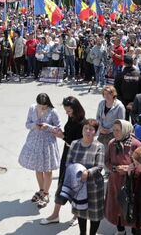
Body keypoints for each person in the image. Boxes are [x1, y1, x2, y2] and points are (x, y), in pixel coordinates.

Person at [41, 96, 86, 226]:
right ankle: (55, 215)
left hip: (76, 156)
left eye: (69, 111)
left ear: (76, 109)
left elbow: (79, 142)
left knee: (75, 185)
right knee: (62, 182)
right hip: (67, 153)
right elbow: (69, 135)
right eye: (66, 111)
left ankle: (76, 214)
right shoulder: (72, 118)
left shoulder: (82, 123)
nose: (67, 113)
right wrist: (62, 133)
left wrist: (63, 136)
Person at [18, 93, 61, 209]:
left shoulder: (53, 111)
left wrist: (48, 127)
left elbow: (59, 128)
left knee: (47, 169)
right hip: (34, 141)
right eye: (41, 106)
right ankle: (41, 190)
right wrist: (34, 126)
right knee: (38, 168)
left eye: (45, 106)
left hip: (47, 143)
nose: (42, 108)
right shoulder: (32, 108)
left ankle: (46, 194)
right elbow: (27, 124)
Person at [66, 119, 105, 235]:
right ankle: (82, 233)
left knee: (94, 215)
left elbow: (99, 166)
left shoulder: (99, 146)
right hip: (78, 184)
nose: (88, 131)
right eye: (86, 128)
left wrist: (87, 172)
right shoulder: (74, 144)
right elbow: (68, 162)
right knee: (80, 211)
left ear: (95, 132)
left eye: (91, 129)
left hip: (94, 186)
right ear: (82, 130)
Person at [104, 120, 141, 234]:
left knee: (130, 206)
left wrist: (128, 169)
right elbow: (107, 162)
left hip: (131, 182)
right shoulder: (112, 143)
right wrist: (115, 169)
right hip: (115, 182)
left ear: (126, 130)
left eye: (118, 130)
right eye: (114, 130)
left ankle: (133, 230)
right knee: (117, 207)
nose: (115, 133)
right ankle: (120, 231)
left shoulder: (136, 144)